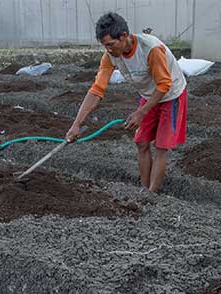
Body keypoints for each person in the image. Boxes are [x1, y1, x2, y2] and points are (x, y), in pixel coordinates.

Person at [65, 12, 188, 193]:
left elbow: (164, 85)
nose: (108, 50)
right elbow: (97, 90)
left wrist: (141, 112)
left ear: (123, 36)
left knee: (161, 146)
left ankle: (151, 194)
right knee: (141, 142)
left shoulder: (150, 49)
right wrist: (76, 124)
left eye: (110, 45)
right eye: (104, 46)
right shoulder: (110, 56)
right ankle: (144, 189)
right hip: (148, 95)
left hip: (171, 95)